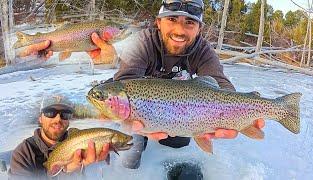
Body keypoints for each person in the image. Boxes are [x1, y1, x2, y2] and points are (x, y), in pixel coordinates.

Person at [19, 0, 265, 178]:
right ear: (159, 22)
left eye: (189, 22)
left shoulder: (203, 50)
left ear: (199, 28)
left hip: (188, 113)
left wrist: (243, 110)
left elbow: (221, 84)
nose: (180, 30)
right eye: (172, 19)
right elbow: (125, 77)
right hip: (143, 115)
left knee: (178, 144)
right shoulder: (143, 42)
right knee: (131, 148)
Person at [8, 95, 110, 179]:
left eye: (65, 114)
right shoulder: (23, 153)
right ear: (40, 119)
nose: (58, 119)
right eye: (50, 113)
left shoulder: (81, 140)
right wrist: (65, 172)